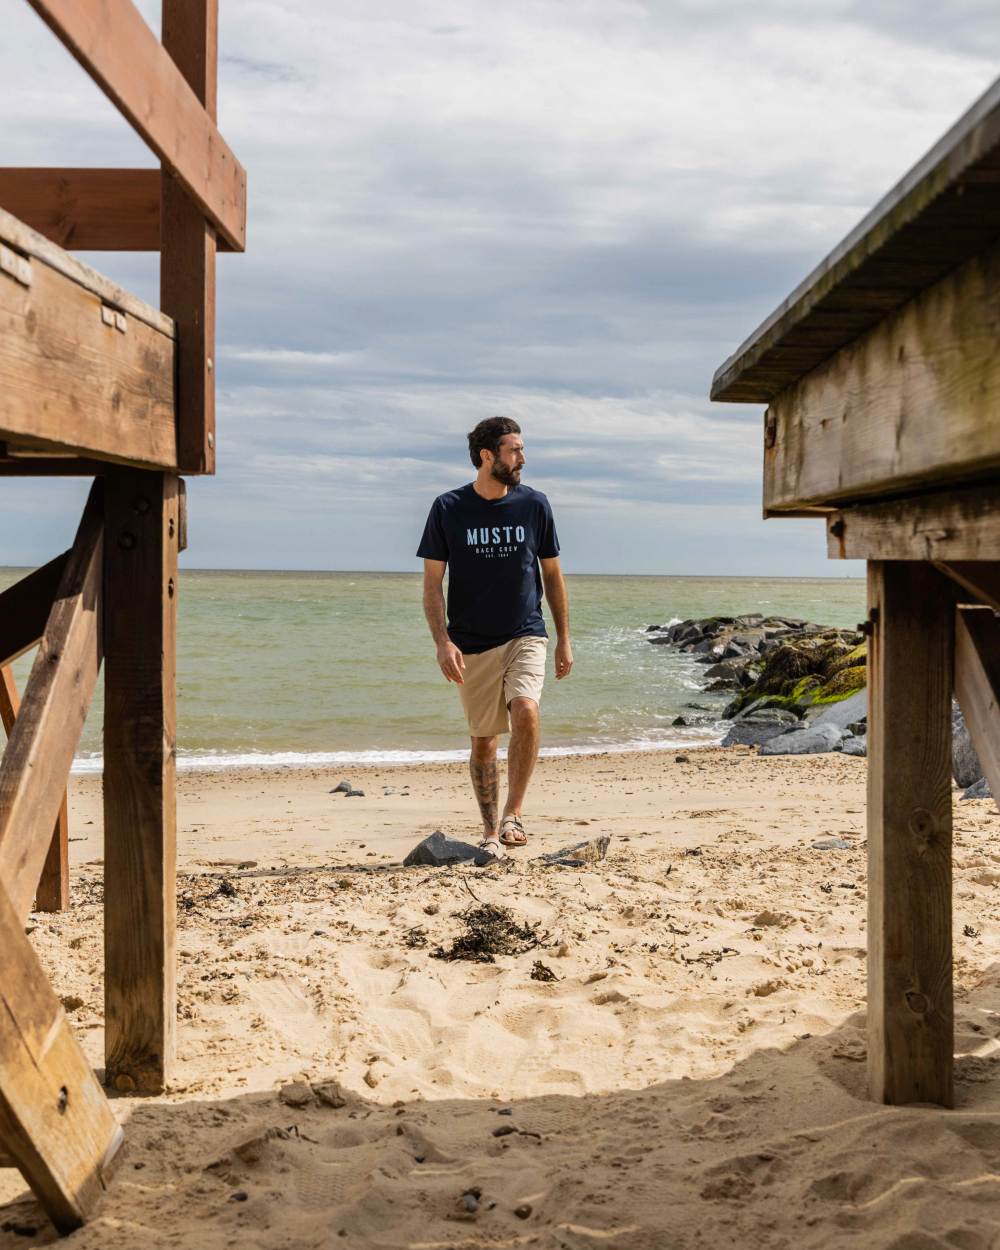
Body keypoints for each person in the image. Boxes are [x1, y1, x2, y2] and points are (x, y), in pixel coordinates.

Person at [417, 416, 573, 859]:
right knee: (484, 741)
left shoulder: (534, 505)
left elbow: (553, 575)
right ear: (488, 456)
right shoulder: (448, 508)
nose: (522, 458)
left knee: (525, 708)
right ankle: (489, 831)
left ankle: (514, 814)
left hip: (526, 631)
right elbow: (432, 583)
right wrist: (442, 641)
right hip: (470, 642)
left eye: (522, 449)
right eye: (514, 450)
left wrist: (564, 637)